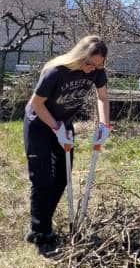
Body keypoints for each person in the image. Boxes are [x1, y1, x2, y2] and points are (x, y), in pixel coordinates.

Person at [23, 35, 111, 247]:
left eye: (98, 65)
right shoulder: (56, 71)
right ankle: (41, 232)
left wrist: (104, 125)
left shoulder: (97, 71)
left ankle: (43, 221)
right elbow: (36, 104)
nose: (92, 69)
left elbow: (102, 97)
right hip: (39, 123)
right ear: (80, 55)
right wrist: (55, 128)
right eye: (88, 63)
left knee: (62, 177)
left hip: (63, 124)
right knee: (42, 178)